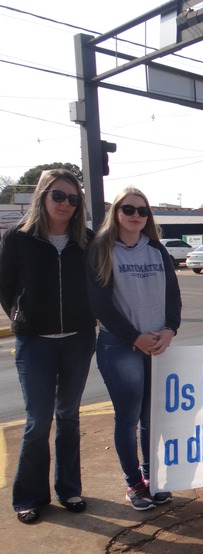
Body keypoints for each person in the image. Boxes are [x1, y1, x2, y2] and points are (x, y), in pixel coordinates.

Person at [0, 169, 96, 524]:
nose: (66, 204)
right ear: (42, 196)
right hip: (34, 343)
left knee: (69, 417)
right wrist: (18, 313)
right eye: (59, 196)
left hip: (78, 339)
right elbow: (5, 284)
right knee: (37, 421)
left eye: (73, 199)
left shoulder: (85, 240)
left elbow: (98, 283)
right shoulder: (18, 238)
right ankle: (30, 496)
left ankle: (69, 489)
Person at [87, 186, 182, 510]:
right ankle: (134, 484)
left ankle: (152, 478)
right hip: (120, 346)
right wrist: (133, 336)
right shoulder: (102, 249)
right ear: (116, 213)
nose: (136, 216)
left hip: (156, 345)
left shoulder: (157, 250)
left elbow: (173, 295)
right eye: (129, 209)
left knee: (151, 418)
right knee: (127, 419)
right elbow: (99, 303)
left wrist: (170, 329)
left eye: (143, 210)